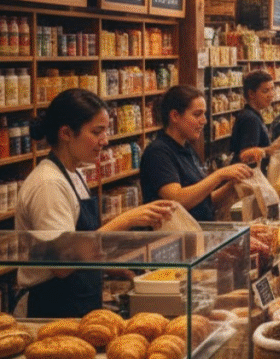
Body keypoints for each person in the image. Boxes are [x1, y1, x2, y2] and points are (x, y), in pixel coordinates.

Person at [16, 89, 175, 317]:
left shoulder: (74, 174)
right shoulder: (48, 185)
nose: (105, 140)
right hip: (52, 307)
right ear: (66, 133)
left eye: (106, 131)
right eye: (97, 132)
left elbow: (82, 239)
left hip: (78, 302)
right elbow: (63, 265)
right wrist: (127, 219)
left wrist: (111, 267)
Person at [141, 85, 254, 222]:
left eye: (204, 114)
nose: (204, 121)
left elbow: (204, 203)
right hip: (174, 240)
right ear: (175, 116)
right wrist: (219, 175)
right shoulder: (157, 153)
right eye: (197, 114)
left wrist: (232, 186)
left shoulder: (186, 148)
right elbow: (176, 200)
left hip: (198, 234)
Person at [231, 70, 280, 173]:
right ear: (251, 94)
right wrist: (270, 150)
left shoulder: (253, 115)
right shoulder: (250, 119)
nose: (271, 94)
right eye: (265, 91)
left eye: (272, 89)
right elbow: (247, 155)